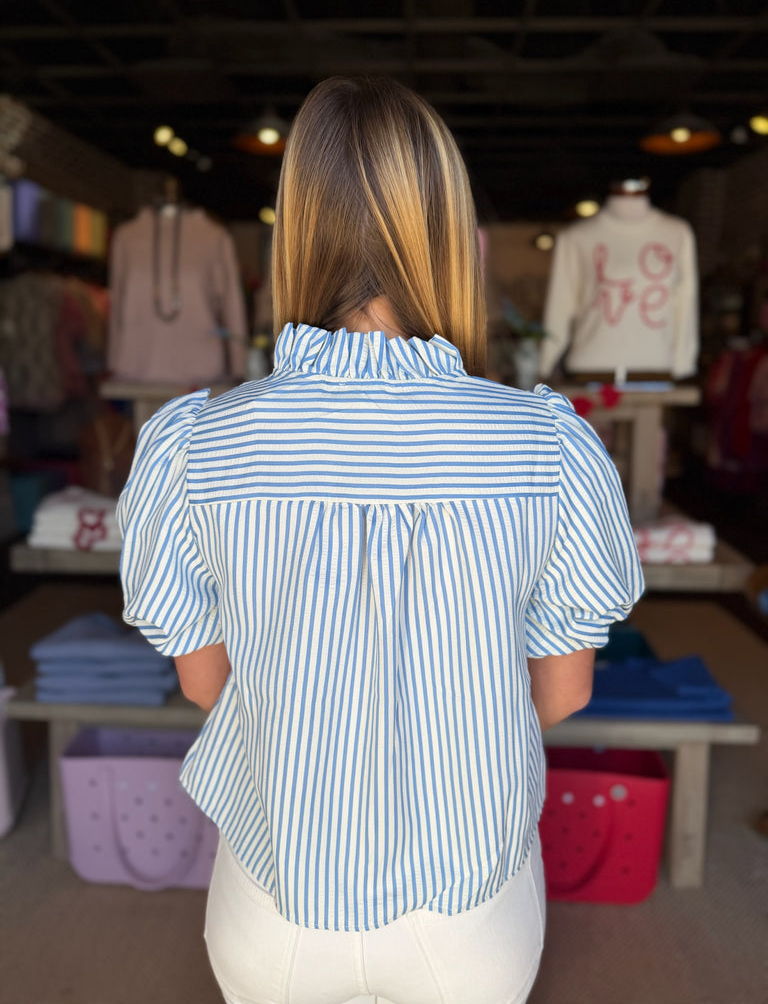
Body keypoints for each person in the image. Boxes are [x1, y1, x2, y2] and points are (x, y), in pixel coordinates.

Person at [118, 76, 644, 1004]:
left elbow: (207, 683)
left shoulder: (196, 443)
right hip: (468, 906)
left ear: (296, 231)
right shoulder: (544, 446)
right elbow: (560, 692)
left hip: (277, 891)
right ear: (451, 236)